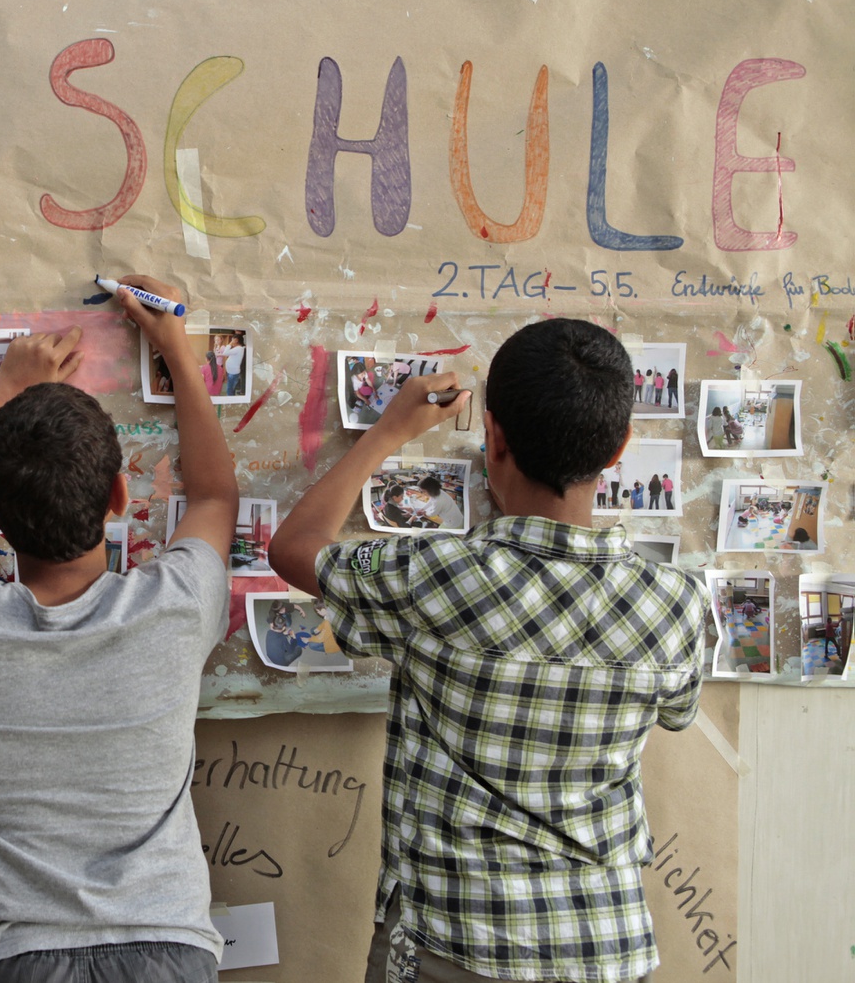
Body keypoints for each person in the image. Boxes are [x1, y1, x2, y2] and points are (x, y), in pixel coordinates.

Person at [268, 317, 707, 983]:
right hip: (605, 945)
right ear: (620, 448)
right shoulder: (677, 603)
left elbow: (294, 548)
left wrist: (387, 433)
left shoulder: (435, 577)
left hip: (452, 943)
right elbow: (678, 713)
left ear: (493, 436)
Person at [0, 274, 238, 982]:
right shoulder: (175, 607)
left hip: (5, 955)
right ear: (120, 496)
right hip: (165, 947)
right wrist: (174, 348)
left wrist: (4, 386)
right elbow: (215, 495)